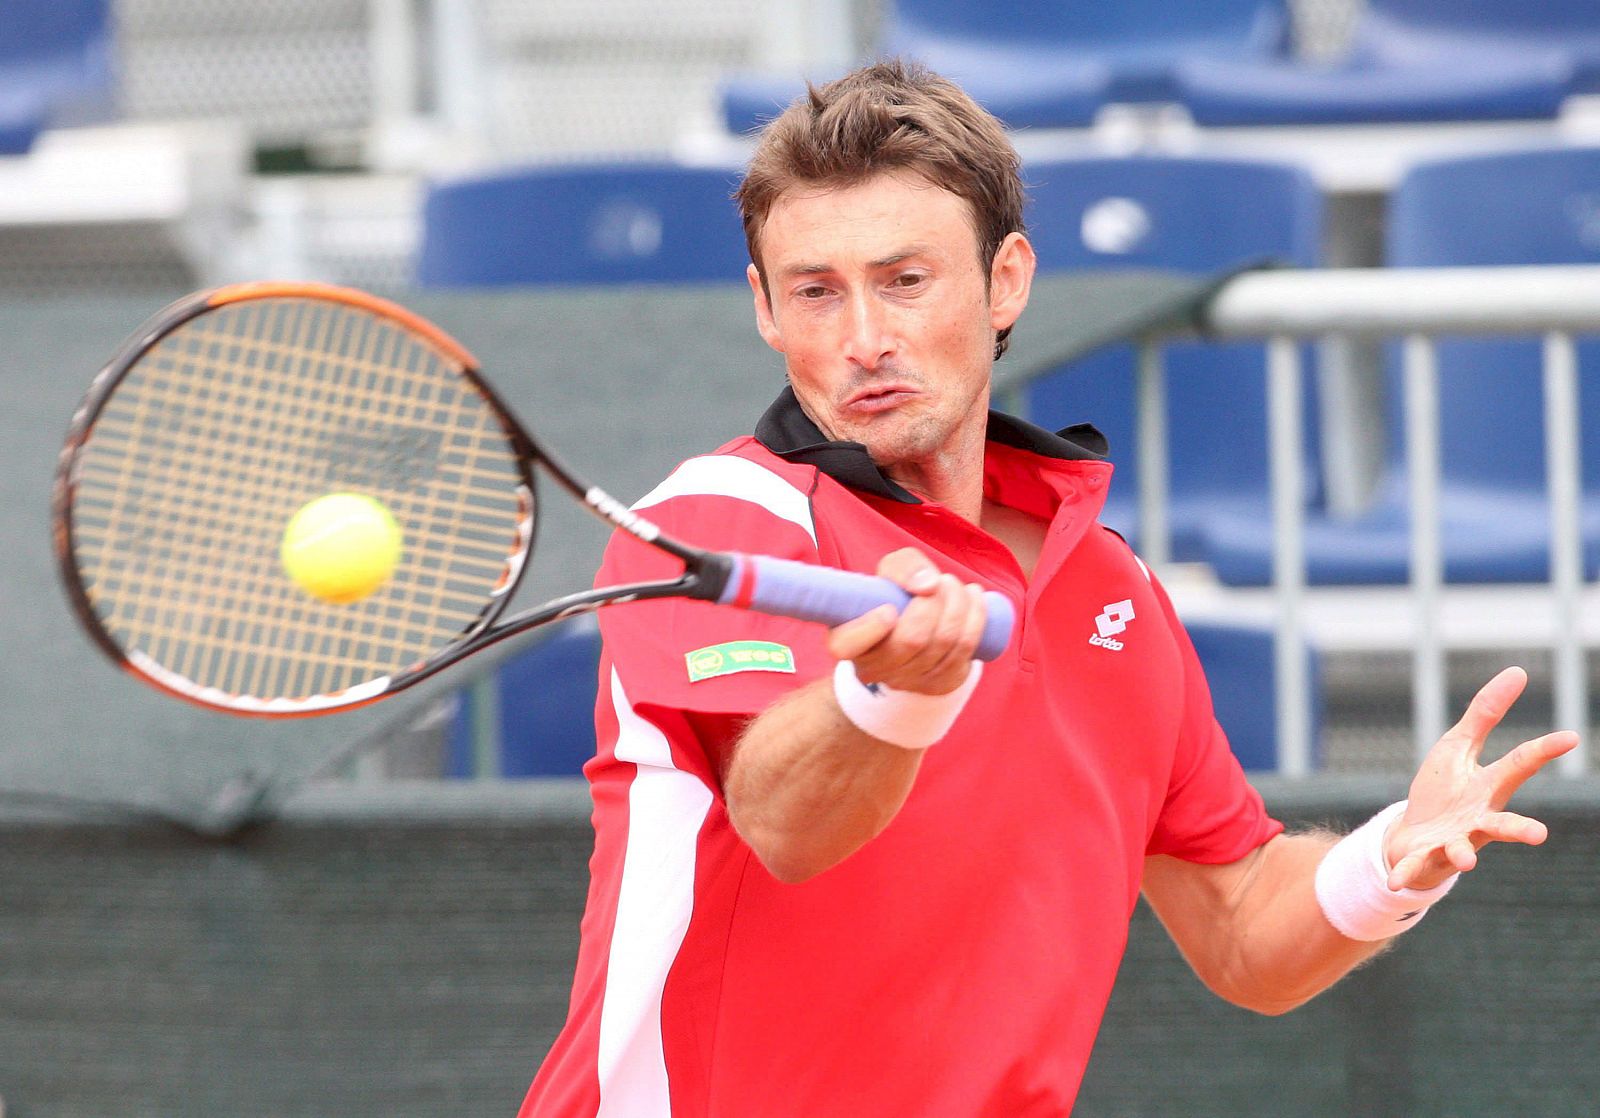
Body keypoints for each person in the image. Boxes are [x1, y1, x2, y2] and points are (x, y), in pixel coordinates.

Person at [519, 60, 1578, 1117]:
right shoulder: (717, 517)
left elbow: (1241, 923)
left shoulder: (1107, 585)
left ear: (1006, 281)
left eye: (904, 279)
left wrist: (1389, 861)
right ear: (764, 307)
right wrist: (890, 694)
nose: (862, 339)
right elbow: (785, 824)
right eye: (814, 291)